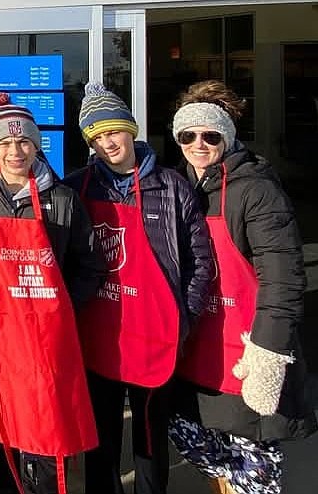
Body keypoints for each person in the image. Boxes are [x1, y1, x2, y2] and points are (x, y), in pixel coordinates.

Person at [0, 93, 105, 494]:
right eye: (5, 144)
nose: (15, 151)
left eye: (24, 142)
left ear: (36, 145)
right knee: (0, 416)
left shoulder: (63, 199)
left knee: (48, 420)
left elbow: (90, 264)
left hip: (47, 335)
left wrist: (63, 307)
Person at [62, 82, 214, 494]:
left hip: (155, 335)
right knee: (101, 439)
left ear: (130, 129)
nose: (108, 142)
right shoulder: (77, 187)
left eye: (113, 130)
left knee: (149, 440)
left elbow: (202, 261)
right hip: (98, 334)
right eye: (96, 137)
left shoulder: (171, 186)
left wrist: (184, 317)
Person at [168, 80, 317, 494]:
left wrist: (267, 356)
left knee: (254, 466)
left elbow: (284, 278)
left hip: (245, 353)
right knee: (192, 437)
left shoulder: (257, 190)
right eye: (188, 135)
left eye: (210, 135)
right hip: (198, 349)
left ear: (227, 138)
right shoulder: (180, 188)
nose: (199, 144)